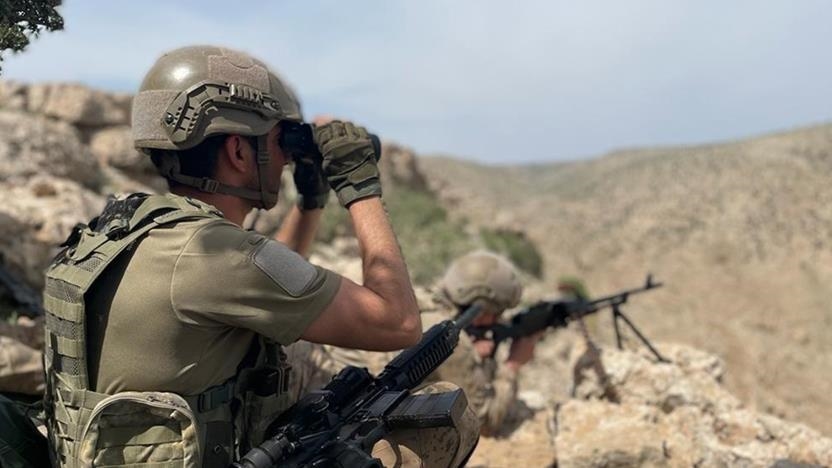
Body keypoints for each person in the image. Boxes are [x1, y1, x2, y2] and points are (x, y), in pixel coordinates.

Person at [42, 45, 476, 468]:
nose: (285, 158)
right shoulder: (218, 257)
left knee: (306, 364)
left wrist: (310, 200)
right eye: (278, 141)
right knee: (427, 419)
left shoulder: (130, 229)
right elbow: (399, 323)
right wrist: (359, 184)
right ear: (238, 152)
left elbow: (273, 280)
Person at [293, 250, 542, 436]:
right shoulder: (451, 336)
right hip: (329, 411)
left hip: (314, 381)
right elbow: (484, 420)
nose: (497, 320)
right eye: (496, 313)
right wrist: (513, 365)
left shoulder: (418, 303)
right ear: (481, 309)